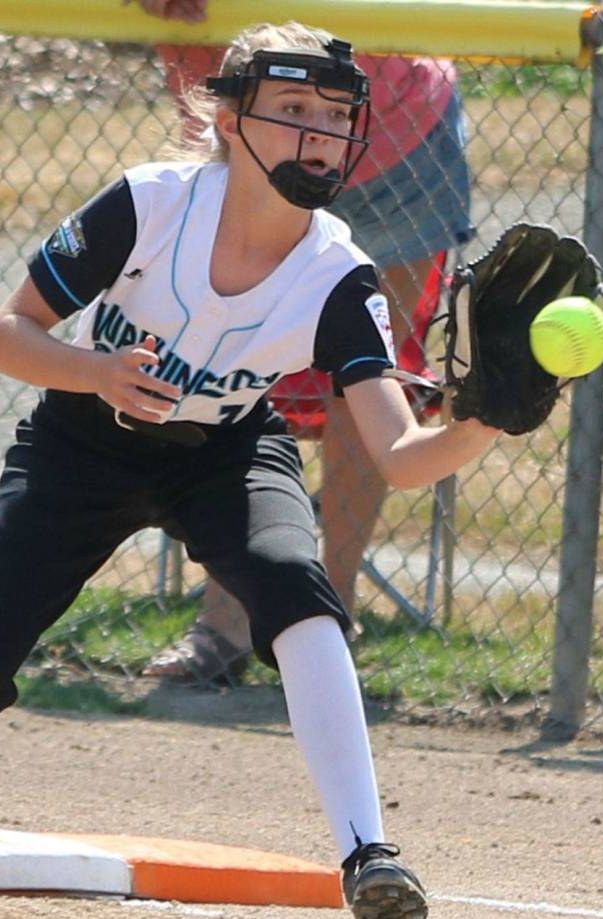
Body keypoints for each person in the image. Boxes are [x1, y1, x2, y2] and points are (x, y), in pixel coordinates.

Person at [0, 22, 499, 919]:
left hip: (227, 452)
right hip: (82, 442)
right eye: (294, 109)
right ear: (230, 119)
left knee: (298, 594)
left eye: (337, 116)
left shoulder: (338, 273)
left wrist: (492, 420)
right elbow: (4, 334)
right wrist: (96, 374)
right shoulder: (151, 205)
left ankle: (370, 855)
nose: (321, 134)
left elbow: (402, 456)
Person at [136, 0, 475, 684]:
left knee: (366, 385)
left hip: (396, 135)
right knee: (227, 366)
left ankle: (328, 614)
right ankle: (225, 623)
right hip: (253, 144)